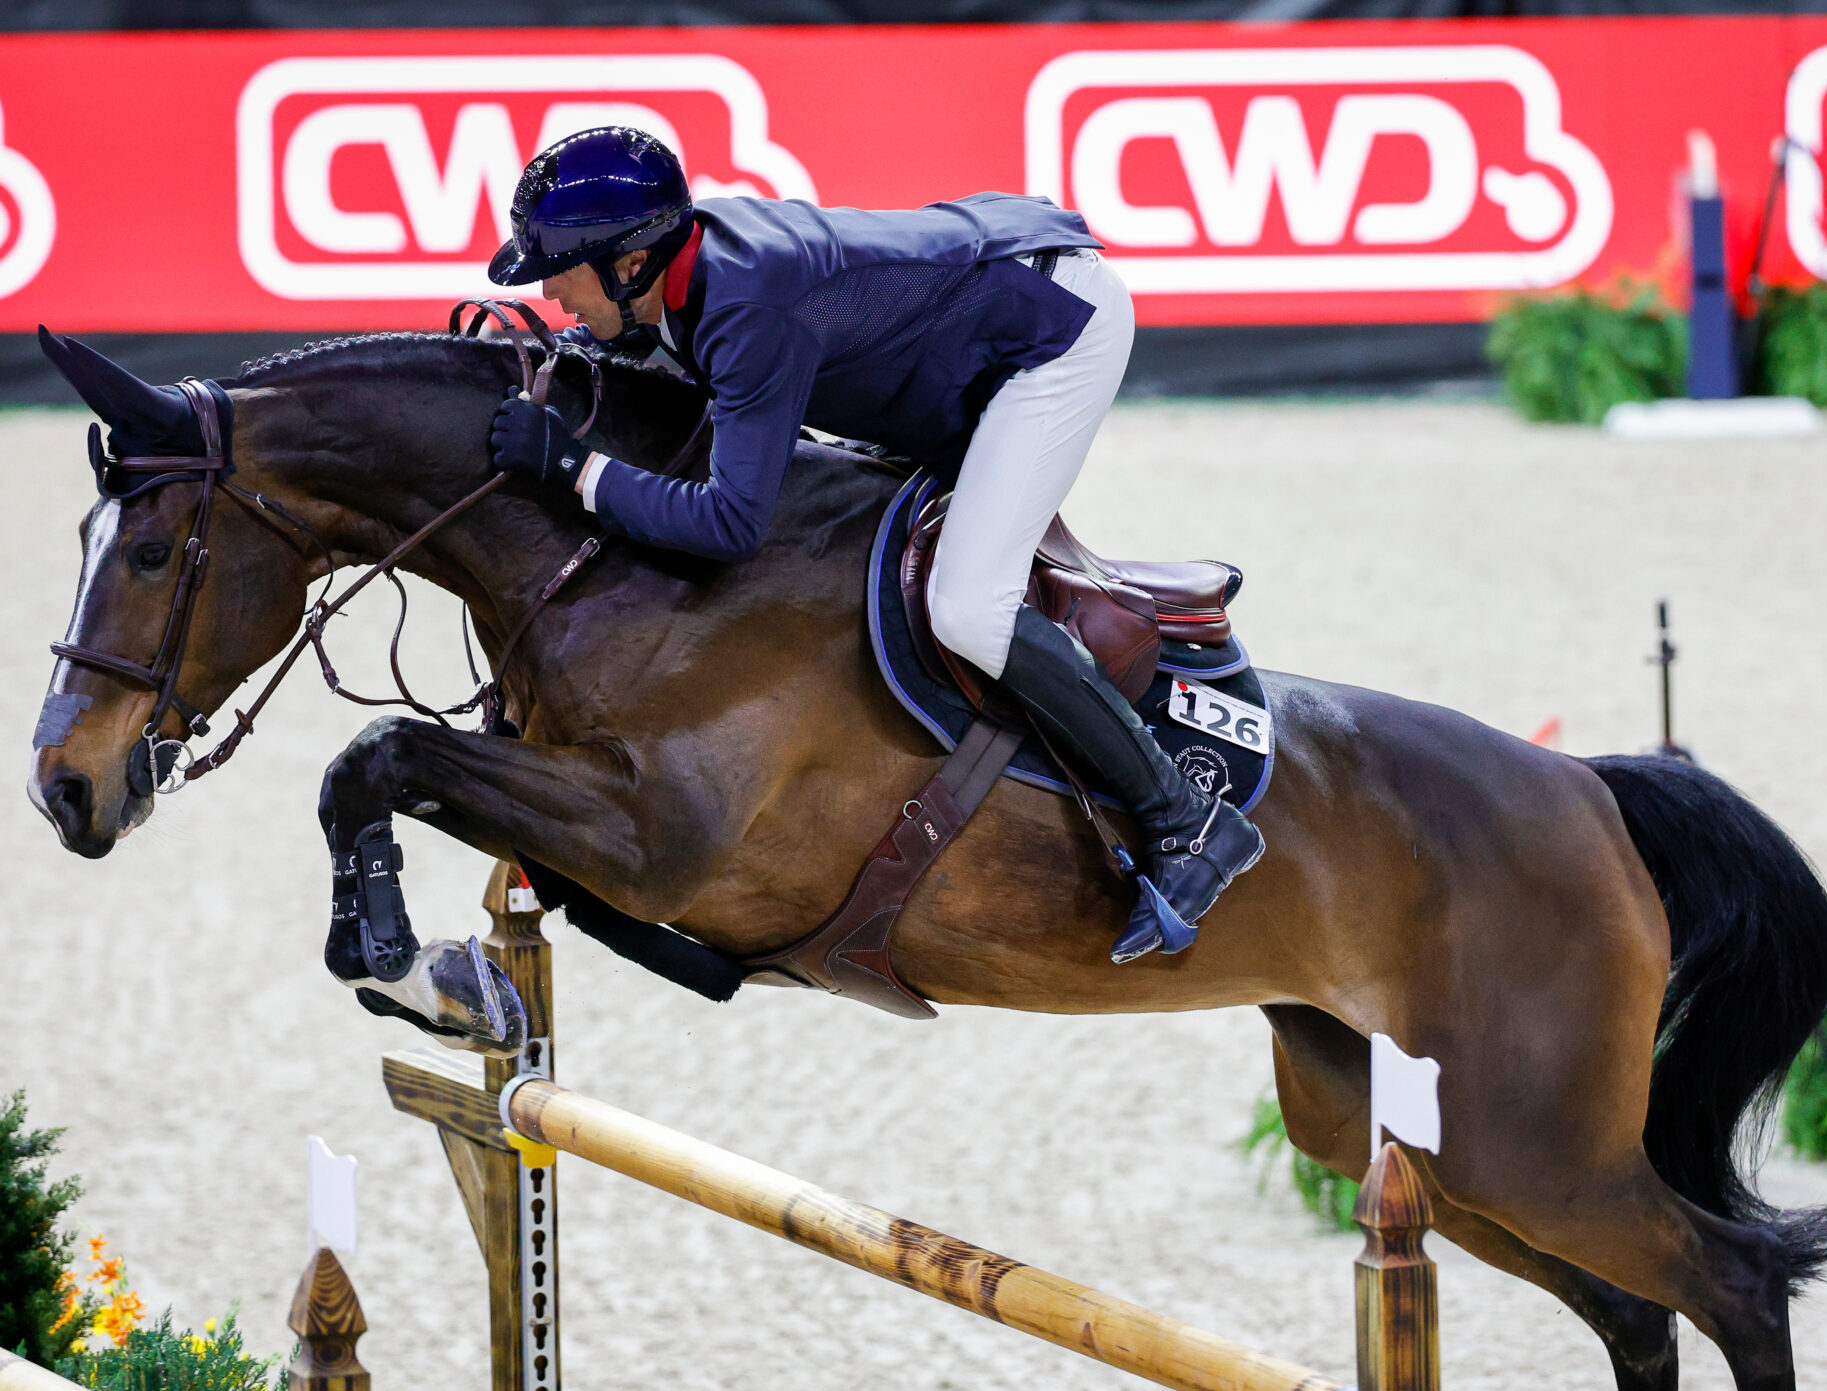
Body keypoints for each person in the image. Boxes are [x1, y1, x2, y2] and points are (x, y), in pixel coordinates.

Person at [483, 126, 1261, 965]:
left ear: (631, 264)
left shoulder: (746, 305)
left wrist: (574, 468)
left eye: (560, 270)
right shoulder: (686, 268)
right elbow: (672, 357)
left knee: (967, 608)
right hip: (972, 318)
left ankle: (1188, 819)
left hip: (1056, 334)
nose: (550, 290)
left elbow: (729, 524)